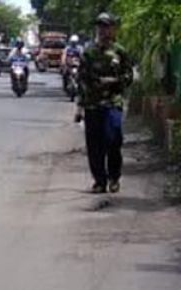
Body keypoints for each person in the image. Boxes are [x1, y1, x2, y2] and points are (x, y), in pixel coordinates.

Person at [75, 12, 134, 194]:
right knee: (95, 145)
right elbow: (81, 80)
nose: (102, 30)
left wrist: (113, 81)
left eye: (106, 26)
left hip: (112, 103)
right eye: (100, 26)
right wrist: (79, 107)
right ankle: (99, 181)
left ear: (112, 29)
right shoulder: (89, 53)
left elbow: (129, 77)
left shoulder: (119, 52)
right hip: (93, 105)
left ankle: (114, 177)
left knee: (114, 139)